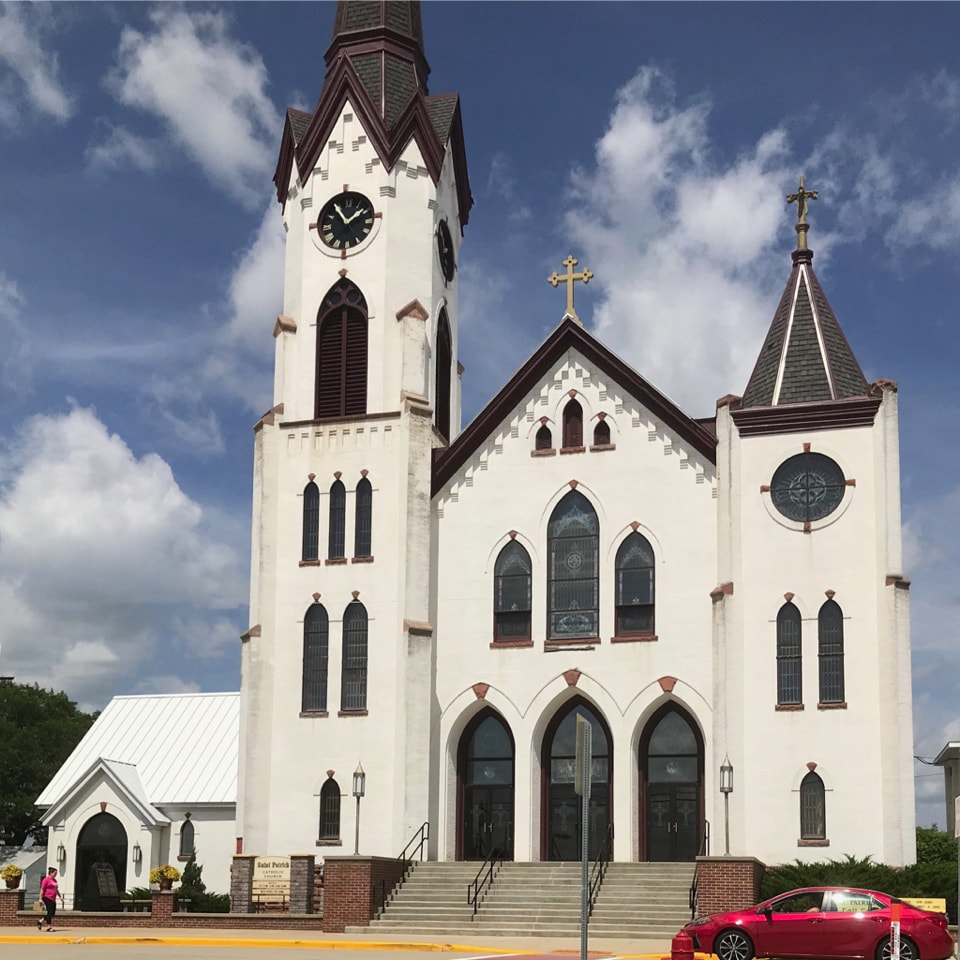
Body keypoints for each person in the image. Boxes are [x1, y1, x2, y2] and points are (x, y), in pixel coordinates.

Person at [38, 866, 63, 932]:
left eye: (56, 873)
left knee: (52, 913)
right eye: (55, 873)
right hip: (47, 897)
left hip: (53, 898)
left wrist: (60, 897)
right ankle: (49, 927)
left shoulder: (55, 880)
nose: (56, 875)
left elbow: (56, 890)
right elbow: (42, 889)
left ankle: (40, 921)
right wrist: (40, 899)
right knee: (49, 912)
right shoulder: (46, 880)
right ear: (50, 873)